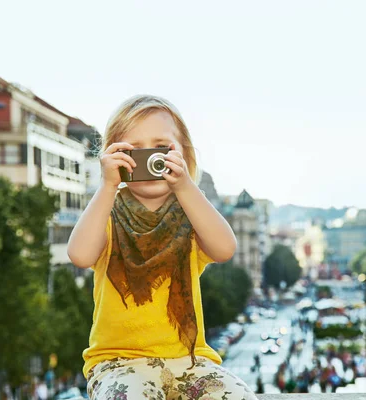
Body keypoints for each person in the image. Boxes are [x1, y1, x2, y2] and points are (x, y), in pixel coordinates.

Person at [68, 95, 256, 399]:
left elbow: (225, 248)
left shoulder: (191, 216)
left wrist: (185, 187)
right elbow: (79, 254)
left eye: (161, 148)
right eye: (134, 150)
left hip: (190, 361)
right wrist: (106, 186)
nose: (149, 159)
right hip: (119, 362)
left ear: (184, 155)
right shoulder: (106, 214)